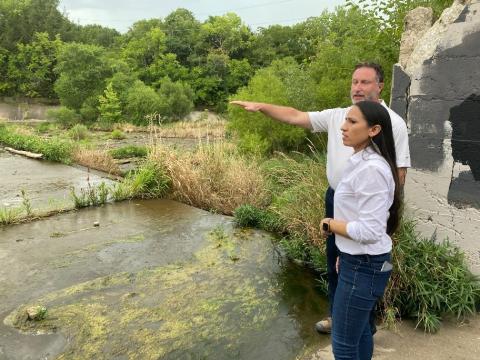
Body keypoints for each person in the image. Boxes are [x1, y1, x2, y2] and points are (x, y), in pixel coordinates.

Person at [230, 62, 410, 334]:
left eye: (365, 82)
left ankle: (363, 326)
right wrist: (262, 106)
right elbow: (295, 116)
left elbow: (399, 173)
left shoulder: (391, 122)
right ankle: (338, 317)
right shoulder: (341, 114)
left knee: (362, 264)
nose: (358, 88)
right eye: (354, 82)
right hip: (336, 198)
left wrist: (385, 214)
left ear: (380, 86)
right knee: (336, 260)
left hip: (366, 206)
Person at [320, 100, 400, 359]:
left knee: (343, 343)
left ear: (374, 130)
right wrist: (345, 252)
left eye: (352, 122)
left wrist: (331, 224)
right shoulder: (361, 160)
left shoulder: (371, 169)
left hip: (364, 266)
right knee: (360, 332)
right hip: (360, 262)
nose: (343, 127)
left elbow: (370, 230)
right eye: (345, 120)